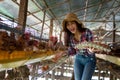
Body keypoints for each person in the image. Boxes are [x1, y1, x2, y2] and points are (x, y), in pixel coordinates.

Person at [62, 13, 96, 80]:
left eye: (72, 23)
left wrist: (91, 51)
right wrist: (62, 53)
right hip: (78, 59)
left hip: (89, 59)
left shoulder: (87, 32)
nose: (70, 26)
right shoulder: (71, 37)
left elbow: (92, 47)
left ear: (77, 23)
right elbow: (72, 51)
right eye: (68, 24)